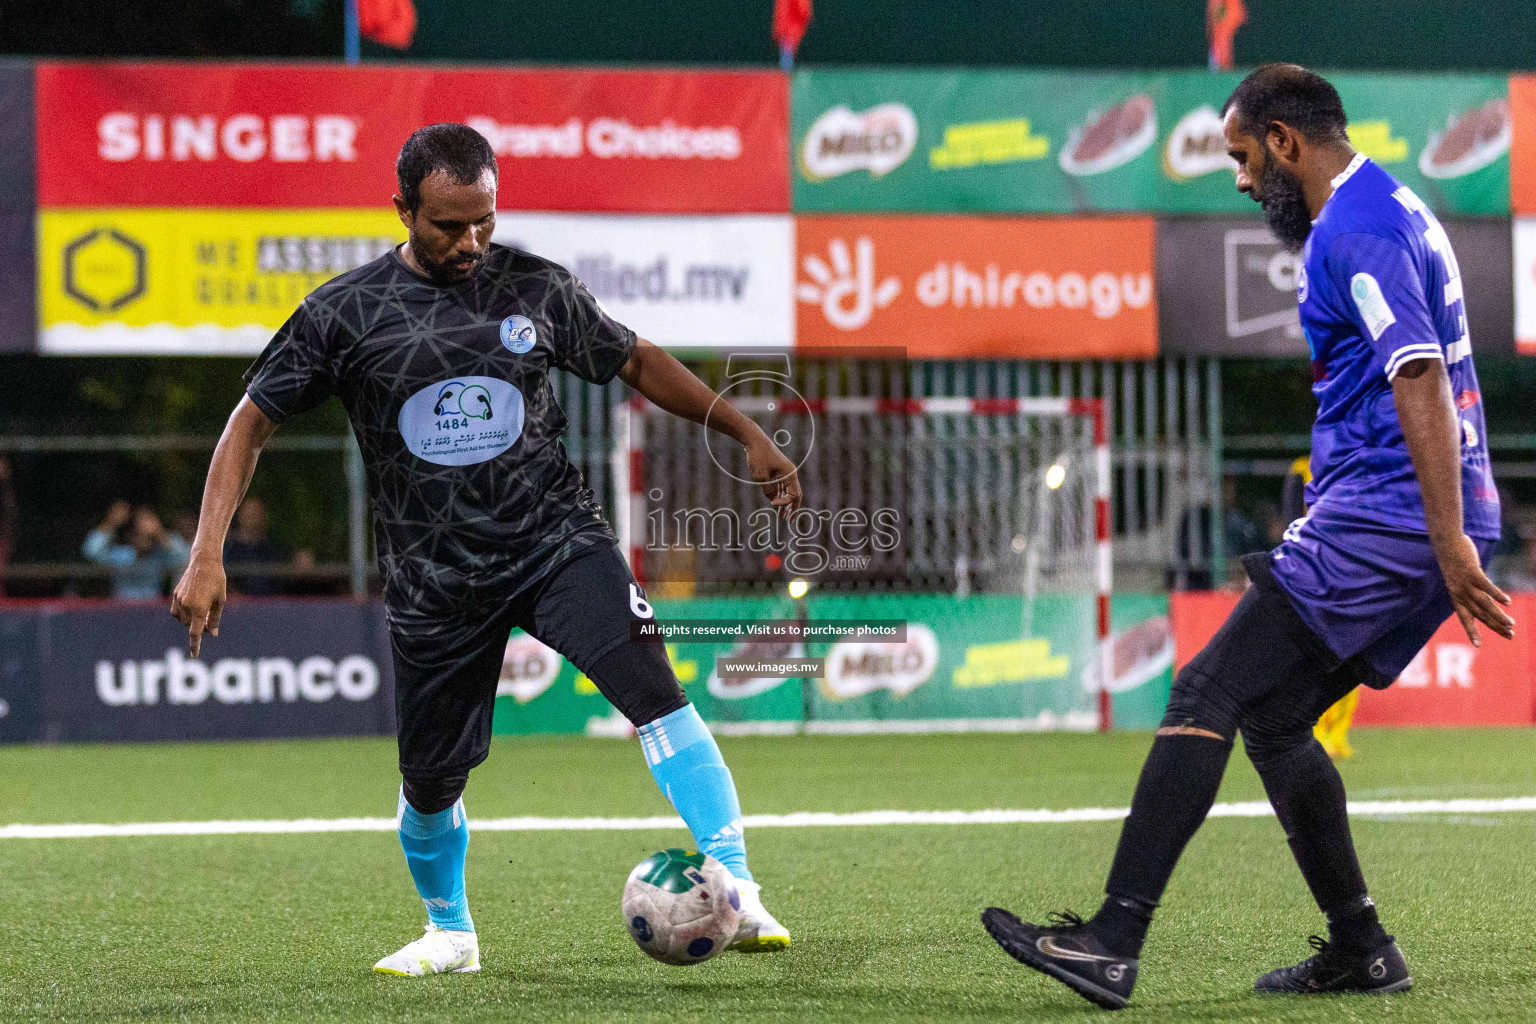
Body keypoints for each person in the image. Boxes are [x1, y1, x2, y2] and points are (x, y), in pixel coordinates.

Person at [171, 124, 801, 977]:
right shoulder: (343, 312)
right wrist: (207, 551)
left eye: (484, 222)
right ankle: (452, 933)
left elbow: (636, 359)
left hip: (555, 542)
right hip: (434, 580)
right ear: (401, 210)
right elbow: (251, 420)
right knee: (430, 786)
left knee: (655, 692)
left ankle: (741, 886)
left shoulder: (534, 287)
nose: (471, 243)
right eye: (448, 226)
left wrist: (738, 426)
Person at [981, 64, 1508, 1009]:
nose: (1237, 178)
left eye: (1240, 156)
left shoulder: (1360, 227)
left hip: (1391, 518)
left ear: (1285, 141)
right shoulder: (1386, 208)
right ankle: (1361, 947)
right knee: (1271, 720)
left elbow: (1419, 376)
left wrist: (1448, 542)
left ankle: (1113, 938)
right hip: (1401, 514)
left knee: (1207, 687)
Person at [1283, 455, 1359, 759]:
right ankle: (1314, 732)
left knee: (1353, 657)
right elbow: (1291, 518)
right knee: (1315, 657)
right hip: (1313, 567)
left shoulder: (1354, 462)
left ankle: (1337, 734)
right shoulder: (1301, 470)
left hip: (1350, 568)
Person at [83, 501, 190, 600]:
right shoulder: (123, 555)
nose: (142, 539)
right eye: (137, 534)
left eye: (146, 536)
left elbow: (183, 557)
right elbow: (91, 552)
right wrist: (111, 522)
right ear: (130, 536)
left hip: (153, 612)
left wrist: (159, 532)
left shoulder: (159, 555)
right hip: (122, 611)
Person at [223, 497, 313, 596]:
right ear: (239, 515)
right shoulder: (228, 549)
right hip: (240, 608)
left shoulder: (274, 549)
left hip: (273, 607)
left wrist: (298, 566)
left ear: (264, 516)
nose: (252, 516)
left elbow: (286, 580)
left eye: (256, 512)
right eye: (249, 512)